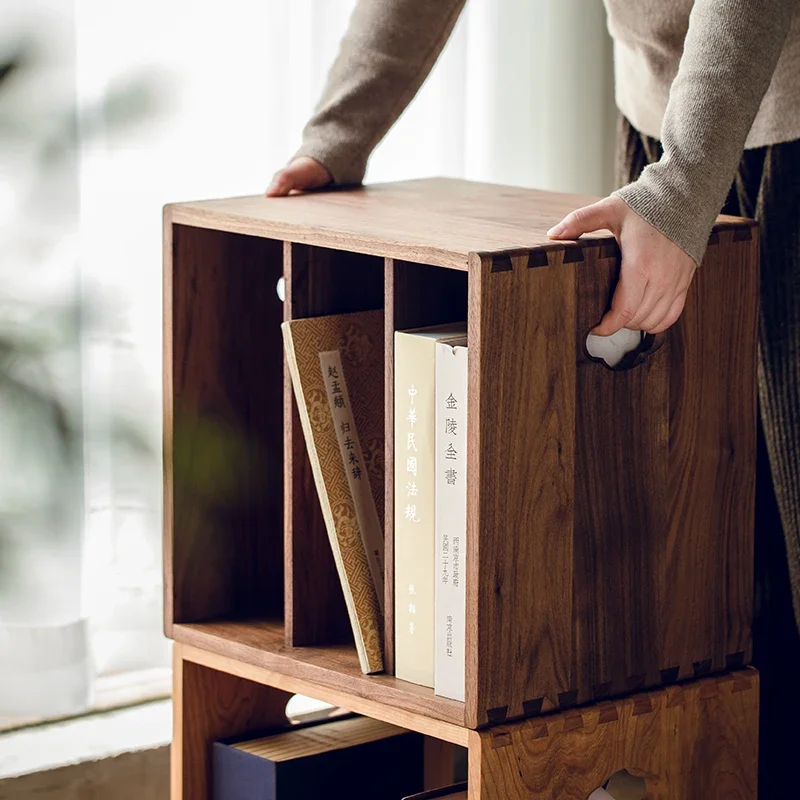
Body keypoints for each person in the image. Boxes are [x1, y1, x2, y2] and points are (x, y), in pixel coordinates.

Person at [268, 1, 800, 794]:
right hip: (669, 130)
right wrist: (338, 135)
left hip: (762, 127)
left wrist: (683, 185)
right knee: (712, 591)